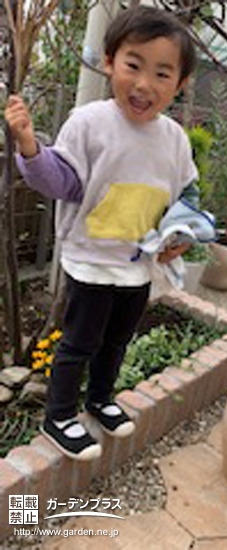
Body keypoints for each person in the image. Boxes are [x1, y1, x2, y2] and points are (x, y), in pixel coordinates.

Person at [4, 6, 199, 461]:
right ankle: (59, 416)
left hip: (138, 265)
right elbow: (64, 183)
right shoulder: (90, 122)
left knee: (116, 340)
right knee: (79, 342)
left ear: (180, 84)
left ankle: (100, 400)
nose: (144, 84)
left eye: (162, 73)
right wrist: (31, 147)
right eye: (133, 65)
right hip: (91, 259)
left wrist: (182, 233)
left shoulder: (174, 139)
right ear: (110, 61)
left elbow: (186, 194)